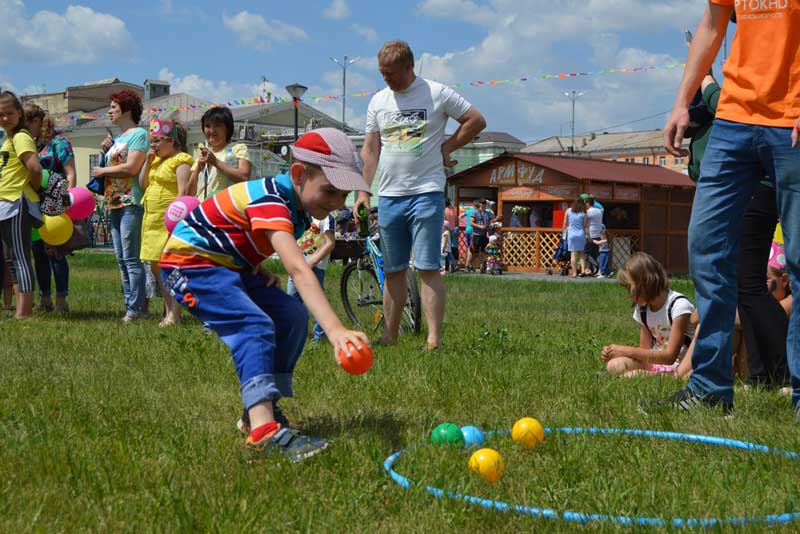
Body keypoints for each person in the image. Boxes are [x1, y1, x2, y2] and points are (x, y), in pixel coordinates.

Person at [159, 128, 371, 462]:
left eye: (343, 195)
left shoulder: (296, 208)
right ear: (299, 174)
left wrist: (254, 267)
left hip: (228, 265)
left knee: (292, 317)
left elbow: (233, 232)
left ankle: (262, 407)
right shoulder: (272, 199)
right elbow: (299, 269)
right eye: (330, 191)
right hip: (188, 264)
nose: (336, 204)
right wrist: (335, 330)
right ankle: (262, 433)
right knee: (253, 325)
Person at [649, 1, 800, 415]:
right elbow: (712, 25)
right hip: (734, 119)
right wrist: (682, 100)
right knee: (707, 249)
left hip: (792, 118)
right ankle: (710, 389)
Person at [354, 40, 486, 350]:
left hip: (426, 192)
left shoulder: (436, 92)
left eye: (392, 74)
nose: (387, 79)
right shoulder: (378, 102)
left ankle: (433, 341)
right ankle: (389, 336)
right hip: (388, 195)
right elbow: (371, 150)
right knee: (393, 270)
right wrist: (363, 192)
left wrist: (448, 146)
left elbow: (476, 120)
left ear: (409, 68)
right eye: (382, 74)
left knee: (427, 268)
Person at [90, 90, 149, 322]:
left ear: (126, 109)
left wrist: (102, 169)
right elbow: (115, 165)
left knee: (132, 258)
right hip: (114, 201)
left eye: (114, 107)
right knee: (121, 258)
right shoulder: (119, 138)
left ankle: (135, 310)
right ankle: (130, 306)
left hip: (130, 201)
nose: (110, 111)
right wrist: (106, 152)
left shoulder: (139, 135)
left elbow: (132, 167)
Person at [603, 252, 695, 378]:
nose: (629, 295)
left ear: (646, 283)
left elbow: (670, 357)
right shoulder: (642, 310)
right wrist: (615, 353)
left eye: (631, 289)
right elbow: (644, 351)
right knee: (613, 365)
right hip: (656, 362)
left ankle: (665, 377)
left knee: (630, 376)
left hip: (681, 364)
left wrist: (625, 350)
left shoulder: (678, 306)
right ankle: (654, 374)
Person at [138, 118, 193, 326]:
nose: (153, 145)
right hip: (151, 221)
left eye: (158, 141)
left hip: (168, 222)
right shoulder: (156, 162)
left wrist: (176, 223)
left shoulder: (181, 160)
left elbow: (183, 193)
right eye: (152, 141)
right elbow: (143, 184)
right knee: (155, 267)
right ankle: (169, 311)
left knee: (170, 267)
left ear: (171, 140)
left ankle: (174, 313)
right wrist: (147, 162)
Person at [26, 104, 76, 312]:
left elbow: (70, 172)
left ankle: (61, 299)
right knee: (38, 252)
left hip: (56, 201)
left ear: (36, 121)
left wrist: (68, 202)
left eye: (26, 123)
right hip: (35, 202)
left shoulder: (60, 141)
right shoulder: (32, 144)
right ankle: (44, 298)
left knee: (56, 252)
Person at [0, 91, 42, 318]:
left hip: (17, 202)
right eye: (0, 114)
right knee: (10, 259)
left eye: (9, 113)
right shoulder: (8, 139)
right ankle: (19, 310)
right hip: (5, 203)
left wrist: (33, 190)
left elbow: (34, 168)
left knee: (21, 257)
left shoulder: (21, 137)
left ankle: (24, 312)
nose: (4, 118)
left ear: (19, 113)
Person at [287, 213, 336, 343]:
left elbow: (330, 243)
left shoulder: (326, 217)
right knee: (292, 300)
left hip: (316, 267)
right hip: (297, 265)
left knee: (316, 302)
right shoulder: (298, 214)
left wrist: (313, 262)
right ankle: (294, 334)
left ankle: (319, 337)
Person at [190, 106, 252, 202]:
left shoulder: (238, 148)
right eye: (207, 126)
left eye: (217, 125)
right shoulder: (202, 155)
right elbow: (188, 194)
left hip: (225, 208)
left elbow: (244, 177)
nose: (211, 130)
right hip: (202, 210)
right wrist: (197, 169)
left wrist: (216, 162)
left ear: (227, 128)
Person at [563, 197, 588, 278]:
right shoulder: (584, 213)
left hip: (571, 234)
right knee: (582, 254)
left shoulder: (568, 211)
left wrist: (564, 232)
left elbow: (565, 223)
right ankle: (583, 271)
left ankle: (574, 273)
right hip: (581, 234)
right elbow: (584, 226)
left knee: (573, 255)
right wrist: (588, 235)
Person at [470, 199, 492, 273]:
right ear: (479, 204)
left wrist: (493, 222)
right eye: (482, 203)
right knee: (475, 252)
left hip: (484, 235)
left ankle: (483, 266)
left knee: (484, 252)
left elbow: (490, 222)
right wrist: (480, 226)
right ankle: (470, 264)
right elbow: (471, 223)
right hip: (476, 235)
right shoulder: (475, 212)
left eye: (485, 204)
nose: (484, 205)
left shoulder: (488, 213)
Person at [584, 196, 603, 274]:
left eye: (585, 203)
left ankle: (596, 265)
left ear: (588, 203)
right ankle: (598, 270)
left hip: (590, 235)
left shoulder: (588, 212)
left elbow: (585, 225)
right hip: (598, 234)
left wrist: (588, 235)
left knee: (586, 253)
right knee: (596, 253)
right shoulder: (599, 211)